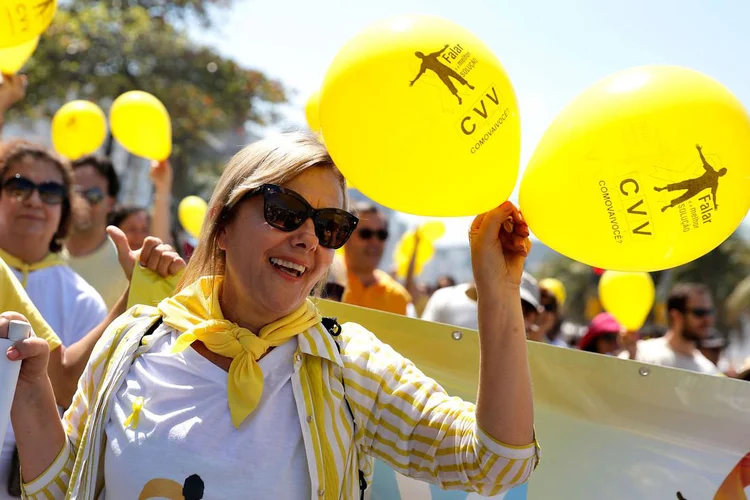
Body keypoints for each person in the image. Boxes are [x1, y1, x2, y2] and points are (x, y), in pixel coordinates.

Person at [7, 133, 539, 499]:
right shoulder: (133, 341)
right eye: (284, 211)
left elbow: (495, 464)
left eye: (330, 225)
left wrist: (499, 290)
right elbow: (61, 489)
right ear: (222, 223)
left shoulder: (350, 366)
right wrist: (31, 395)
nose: (307, 237)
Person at [0, 140, 107, 346]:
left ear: (65, 209)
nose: (35, 201)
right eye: (19, 187)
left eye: (50, 192)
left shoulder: (84, 302)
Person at [64, 155, 130, 308]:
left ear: (110, 203)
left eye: (94, 195)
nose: (82, 202)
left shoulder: (124, 268)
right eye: (75, 193)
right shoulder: (40, 254)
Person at [619, 283, 720, 374]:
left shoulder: (708, 370)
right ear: (676, 315)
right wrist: (632, 357)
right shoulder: (642, 354)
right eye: (699, 312)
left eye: (710, 312)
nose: (707, 320)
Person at [342, 202, 414, 315]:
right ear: (344, 236)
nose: (374, 242)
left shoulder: (398, 298)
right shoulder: (320, 281)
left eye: (381, 234)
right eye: (365, 234)